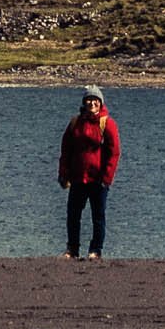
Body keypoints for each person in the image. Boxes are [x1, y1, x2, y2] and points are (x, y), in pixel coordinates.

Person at [57, 85, 120, 259]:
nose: (92, 103)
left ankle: (95, 250)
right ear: (84, 103)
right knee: (73, 215)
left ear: (100, 103)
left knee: (98, 216)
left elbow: (114, 153)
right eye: (89, 100)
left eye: (95, 100)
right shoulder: (75, 123)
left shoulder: (107, 124)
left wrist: (106, 178)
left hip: (98, 180)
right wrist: (63, 173)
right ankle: (72, 249)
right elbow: (66, 150)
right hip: (78, 178)